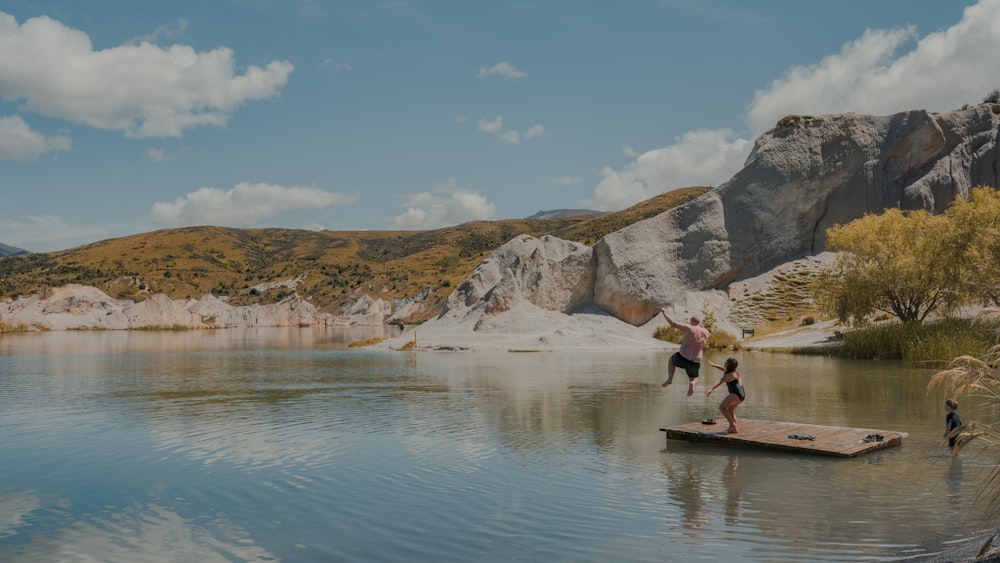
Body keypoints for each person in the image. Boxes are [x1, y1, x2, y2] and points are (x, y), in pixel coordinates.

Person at [659, 307, 710, 396]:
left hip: (682, 357)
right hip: (695, 362)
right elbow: (704, 334)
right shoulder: (706, 332)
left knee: (671, 360)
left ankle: (670, 378)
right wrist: (703, 327)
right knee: (695, 377)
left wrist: (664, 313)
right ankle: (692, 384)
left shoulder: (690, 328)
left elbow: (673, 323)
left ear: (691, 322)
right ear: (700, 323)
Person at [707, 357, 744, 434]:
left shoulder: (728, 375)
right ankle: (734, 428)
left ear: (728, 366)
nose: (724, 363)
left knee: (722, 407)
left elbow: (719, 381)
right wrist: (714, 365)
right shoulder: (735, 372)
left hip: (735, 394)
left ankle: (732, 425)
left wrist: (711, 389)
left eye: (726, 362)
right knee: (730, 410)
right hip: (741, 395)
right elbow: (723, 369)